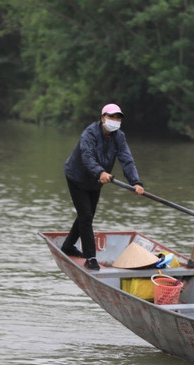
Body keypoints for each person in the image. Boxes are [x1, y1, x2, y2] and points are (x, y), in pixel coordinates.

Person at [62, 103, 145, 270]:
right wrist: (100, 172)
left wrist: (135, 182)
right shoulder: (90, 133)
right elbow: (87, 156)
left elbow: (126, 160)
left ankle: (68, 246)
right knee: (86, 216)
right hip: (77, 177)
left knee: (87, 215)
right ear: (102, 118)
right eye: (111, 117)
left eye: (118, 118)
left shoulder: (119, 137)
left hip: (97, 181)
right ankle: (91, 258)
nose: (115, 120)